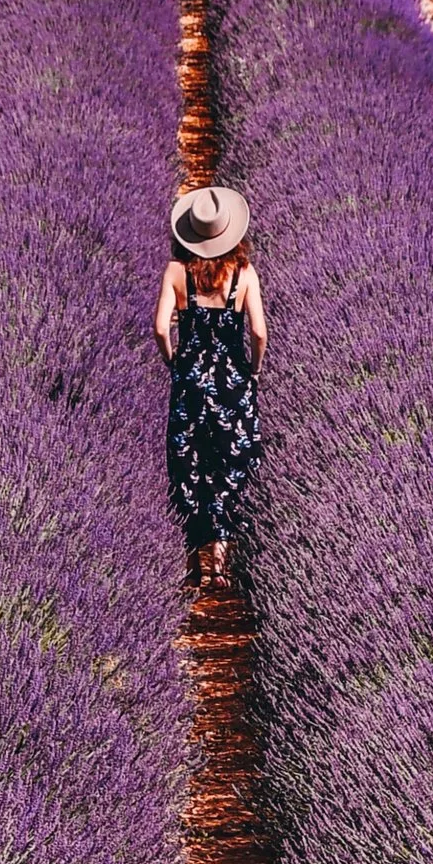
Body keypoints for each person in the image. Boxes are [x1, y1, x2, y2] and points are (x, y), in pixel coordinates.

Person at [156, 182, 266, 587]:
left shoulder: (176, 272)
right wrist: (252, 370)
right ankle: (219, 565)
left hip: (190, 383)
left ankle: (191, 562)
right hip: (232, 386)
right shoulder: (243, 274)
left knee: (188, 465)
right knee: (229, 466)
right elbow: (258, 332)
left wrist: (175, 361)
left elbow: (159, 327)